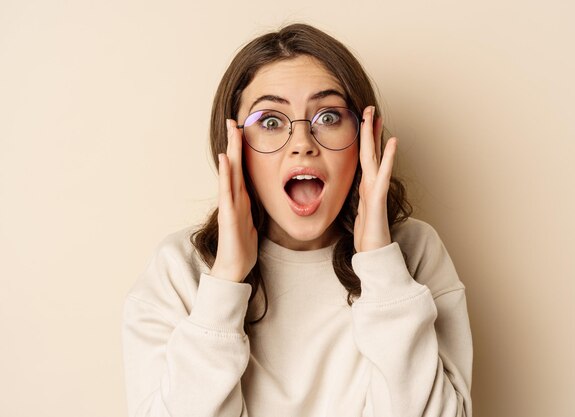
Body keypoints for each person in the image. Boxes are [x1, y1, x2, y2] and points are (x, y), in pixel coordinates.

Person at [122, 23, 473, 417]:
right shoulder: (179, 269)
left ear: (365, 138)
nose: (303, 144)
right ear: (232, 145)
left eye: (328, 116)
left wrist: (380, 265)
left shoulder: (415, 253)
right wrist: (224, 283)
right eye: (270, 122)